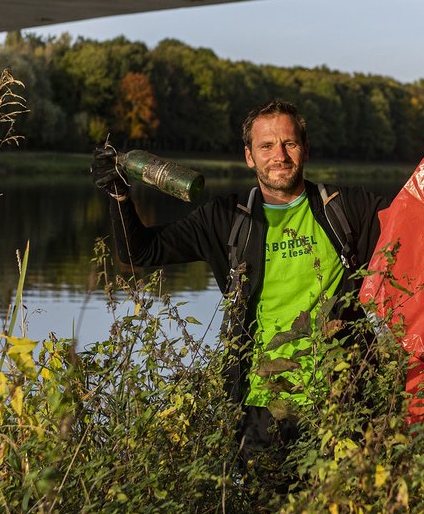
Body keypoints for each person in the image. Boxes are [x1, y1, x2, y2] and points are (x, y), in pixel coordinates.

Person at [91, 100, 387, 481]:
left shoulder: (348, 209)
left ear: (306, 149)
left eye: (289, 144)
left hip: (343, 401)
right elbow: (138, 252)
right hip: (262, 409)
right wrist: (118, 194)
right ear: (249, 156)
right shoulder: (226, 217)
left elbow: (422, 232)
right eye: (266, 146)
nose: (279, 156)